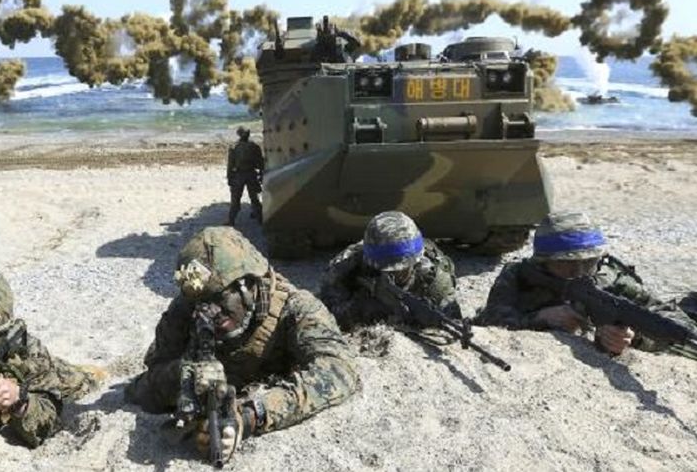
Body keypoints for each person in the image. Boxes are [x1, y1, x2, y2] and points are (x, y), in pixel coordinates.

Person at [125, 226, 357, 464]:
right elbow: (145, 385)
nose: (209, 312)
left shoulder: (297, 309)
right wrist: (182, 374)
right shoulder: (187, 308)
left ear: (249, 284)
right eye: (200, 303)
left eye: (219, 299)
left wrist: (250, 416)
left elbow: (339, 371)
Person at [475, 211, 697, 356]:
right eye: (566, 264)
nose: (580, 272)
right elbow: (488, 321)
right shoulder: (518, 274)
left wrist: (634, 338)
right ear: (543, 262)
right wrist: (538, 318)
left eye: (589, 262)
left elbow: (671, 321)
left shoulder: (612, 281)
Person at [0, 266, 101, 465]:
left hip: (45, 375)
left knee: (80, 381)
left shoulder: (24, 351)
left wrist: (19, 401)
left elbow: (51, 421)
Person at [320, 211, 461, 331]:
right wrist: (362, 308)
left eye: (402, 268)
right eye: (386, 268)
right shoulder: (346, 265)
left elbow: (451, 316)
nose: (395, 274)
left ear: (416, 260)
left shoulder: (435, 278)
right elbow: (326, 312)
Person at [226, 126, 263, 226]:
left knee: (236, 199)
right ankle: (260, 219)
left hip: (239, 175)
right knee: (254, 198)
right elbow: (260, 162)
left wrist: (229, 177)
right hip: (251, 174)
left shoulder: (234, 147)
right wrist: (261, 174)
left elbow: (230, 165)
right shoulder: (254, 146)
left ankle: (231, 221)